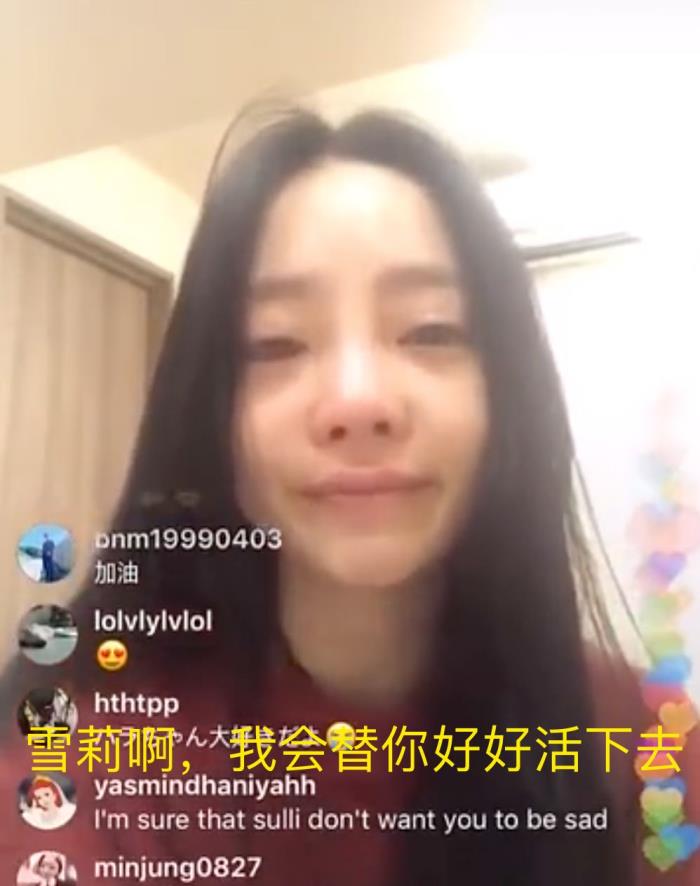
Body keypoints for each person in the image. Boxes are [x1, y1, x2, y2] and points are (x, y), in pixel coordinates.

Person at [0, 107, 697, 884]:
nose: (359, 401)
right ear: (211, 421)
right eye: (276, 342)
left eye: (431, 330)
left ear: (507, 398)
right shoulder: (90, 759)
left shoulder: (645, 743)